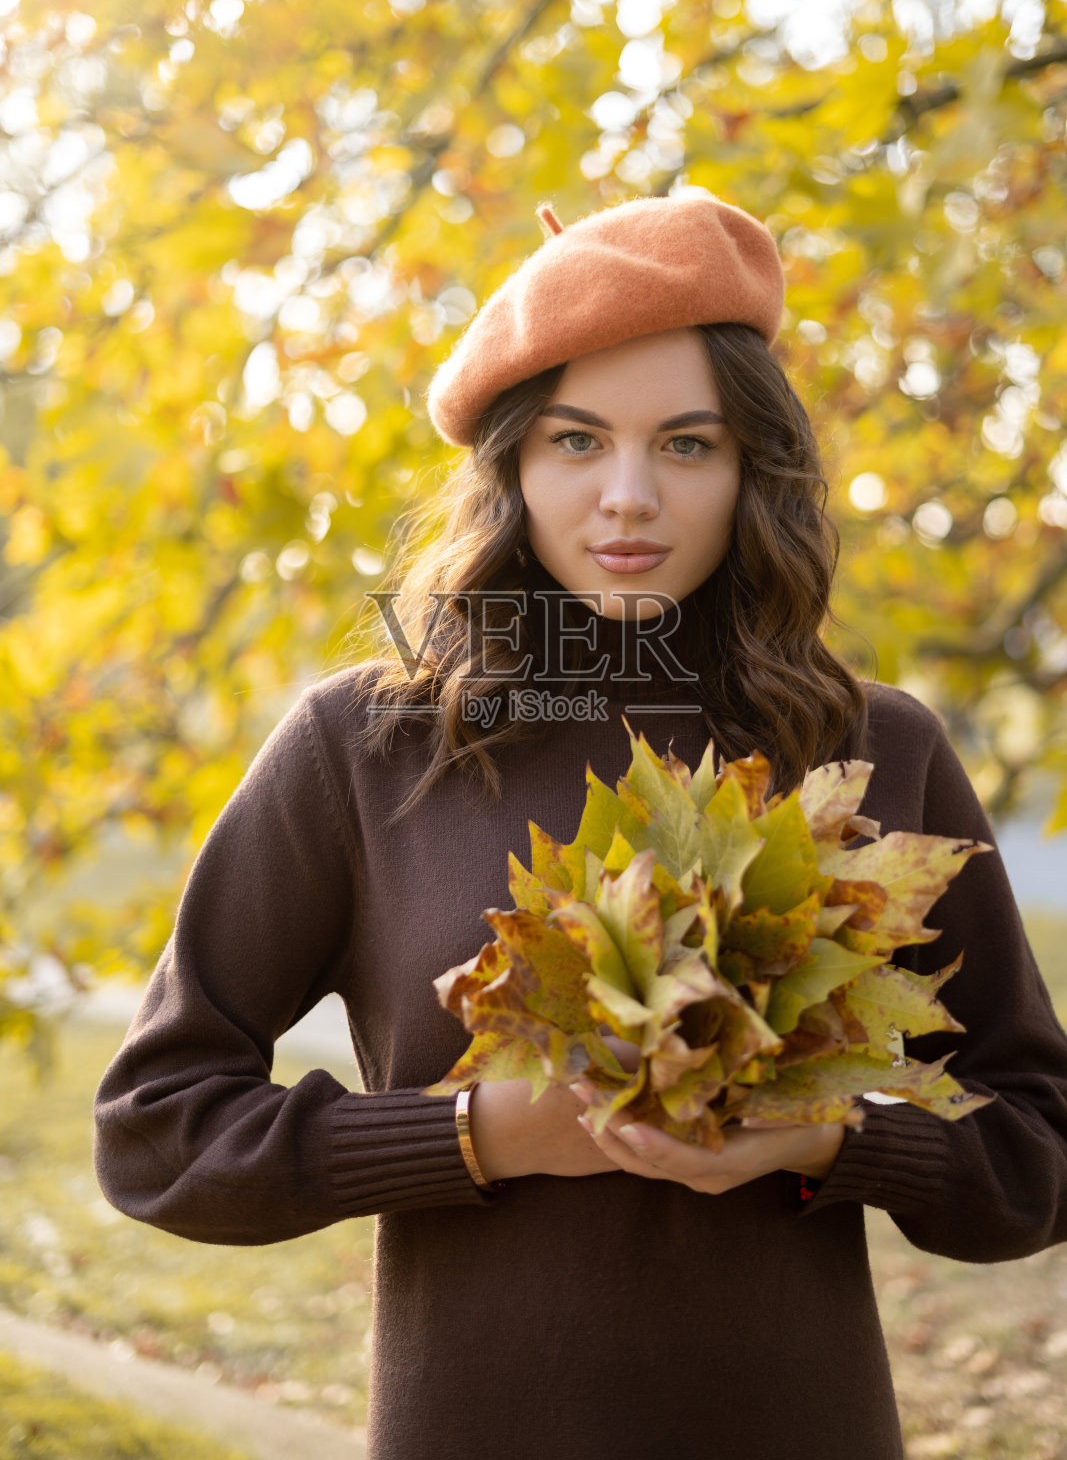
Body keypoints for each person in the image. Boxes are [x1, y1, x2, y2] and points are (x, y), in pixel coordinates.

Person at [93, 193, 1067, 1460]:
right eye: (573, 440)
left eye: (683, 443)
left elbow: (1037, 1151)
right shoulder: (368, 744)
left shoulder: (876, 747)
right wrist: (482, 1134)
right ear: (510, 466)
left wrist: (837, 1134)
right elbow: (156, 1131)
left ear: (747, 468)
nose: (625, 497)